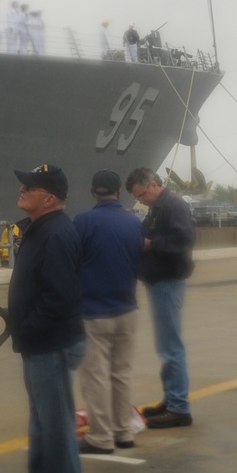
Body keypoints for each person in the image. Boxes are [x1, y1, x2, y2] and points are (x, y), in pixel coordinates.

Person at [4, 164, 91, 473]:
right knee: (41, 419)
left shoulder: (56, 234)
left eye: (32, 187)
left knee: (55, 423)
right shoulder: (41, 229)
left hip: (51, 343)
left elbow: (60, 297)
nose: (23, 189)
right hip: (39, 342)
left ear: (50, 198)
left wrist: (29, 327)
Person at [74, 170, 145, 454]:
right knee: (122, 374)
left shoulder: (83, 221)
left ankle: (101, 437)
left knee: (96, 377)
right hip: (127, 309)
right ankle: (123, 431)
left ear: (93, 192)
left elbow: (72, 262)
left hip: (93, 312)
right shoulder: (133, 222)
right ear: (119, 192)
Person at [125, 167, 196, 428]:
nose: (141, 201)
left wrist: (151, 244)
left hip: (168, 281)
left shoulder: (172, 205)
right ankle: (171, 399)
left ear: (153, 185)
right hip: (160, 281)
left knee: (170, 346)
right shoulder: (159, 206)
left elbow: (184, 239)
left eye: (142, 195)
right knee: (166, 345)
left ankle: (179, 407)